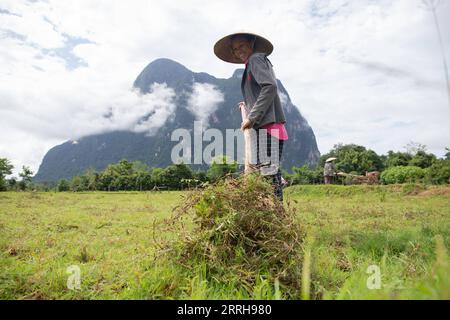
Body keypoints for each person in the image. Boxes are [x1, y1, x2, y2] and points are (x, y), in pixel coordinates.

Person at [214, 32, 288, 201]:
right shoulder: (251, 65)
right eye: (235, 49)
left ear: (251, 43)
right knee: (267, 176)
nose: (239, 50)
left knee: (269, 178)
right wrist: (246, 106)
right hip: (265, 130)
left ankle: (277, 221)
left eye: (242, 45)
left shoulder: (255, 59)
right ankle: (274, 219)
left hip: (268, 129)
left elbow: (269, 87)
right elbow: (259, 92)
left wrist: (251, 117)